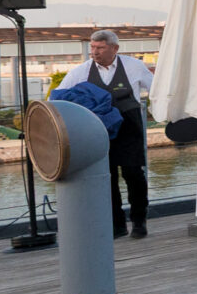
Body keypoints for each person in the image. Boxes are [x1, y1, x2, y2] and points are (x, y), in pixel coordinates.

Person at [60, 28, 155, 239]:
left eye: (100, 48)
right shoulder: (80, 72)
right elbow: (57, 97)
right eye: (93, 47)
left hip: (129, 128)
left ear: (115, 48)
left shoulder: (134, 66)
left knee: (134, 174)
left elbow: (156, 90)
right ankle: (116, 225)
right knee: (106, 178)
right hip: (98, 130)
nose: (95, 52)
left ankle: (139, 221)